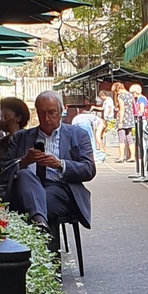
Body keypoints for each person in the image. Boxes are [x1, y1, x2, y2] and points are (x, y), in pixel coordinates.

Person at [9, 92, 96, 233]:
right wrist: (24, 161)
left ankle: (38, 226)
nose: (46, 118)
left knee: (29, 205)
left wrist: (60, 164)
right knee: (25, 175)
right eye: (42, 113)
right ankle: (41, 226)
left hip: (61, 189)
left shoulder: (78, 134)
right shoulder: (21, 138)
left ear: (60, 112)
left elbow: (89, 169)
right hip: (28, 187)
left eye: (52, 113)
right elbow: (4, 168)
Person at [114, 80, 135, 162]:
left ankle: (121, 157)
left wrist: (120, 122)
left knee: (121, 138)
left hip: (123, 119)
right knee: (130, 138)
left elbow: (122, 109)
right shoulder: (130, 95)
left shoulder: (121, 96)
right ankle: (132, 156)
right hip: (130, 117)